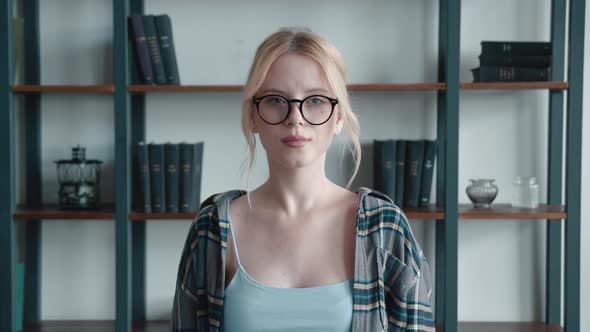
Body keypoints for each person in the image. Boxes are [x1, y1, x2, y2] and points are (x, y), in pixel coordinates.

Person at [171, 27, 434, 332]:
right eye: (275, 100)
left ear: (338, 118)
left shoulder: (386, 228)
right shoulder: (213, 229)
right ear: (253, 116)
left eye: (315, 100)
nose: (295, 117)